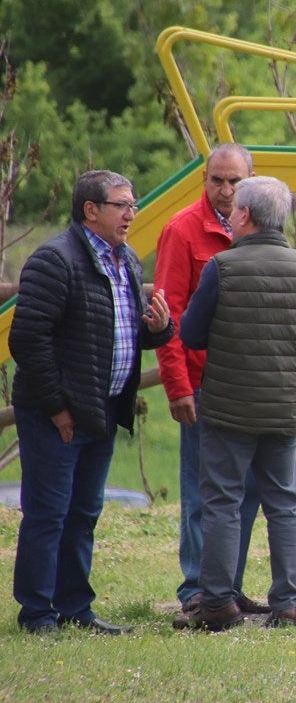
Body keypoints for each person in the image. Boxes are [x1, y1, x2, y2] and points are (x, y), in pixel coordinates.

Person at [10, 170, 173, 634]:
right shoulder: (54, 260)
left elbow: (116, 334)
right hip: (55, 416)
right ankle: (37, 614)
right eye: (121, 205)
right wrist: (58, 407)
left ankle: (74, 610)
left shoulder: (126, 261)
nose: (131, 214)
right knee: (49, 513)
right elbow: (28, 340)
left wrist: (158, 330)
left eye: (133, 205)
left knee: (83, 514)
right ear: (91, 210)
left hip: (101, 410)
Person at [176, 176, 296, 630]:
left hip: (229, 406)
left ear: (244, 215)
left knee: (223, 501)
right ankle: (287, 602)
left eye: (233, 210)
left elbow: (190, 334)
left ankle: (217, 603)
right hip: (285, 407)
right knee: (283, 503)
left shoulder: (222, 267)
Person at [154, 142, 271, 623]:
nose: (224, 190)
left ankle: (227, 585)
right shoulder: (183, 230)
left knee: (247, 491)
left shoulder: (259, 229)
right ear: (204, 180)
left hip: (249, 384)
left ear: (250, 180)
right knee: (205, 491)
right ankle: (197, 591)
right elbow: (167, 316)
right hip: (203, 385)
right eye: (215, 180)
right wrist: (177, 385)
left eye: (233, 181)